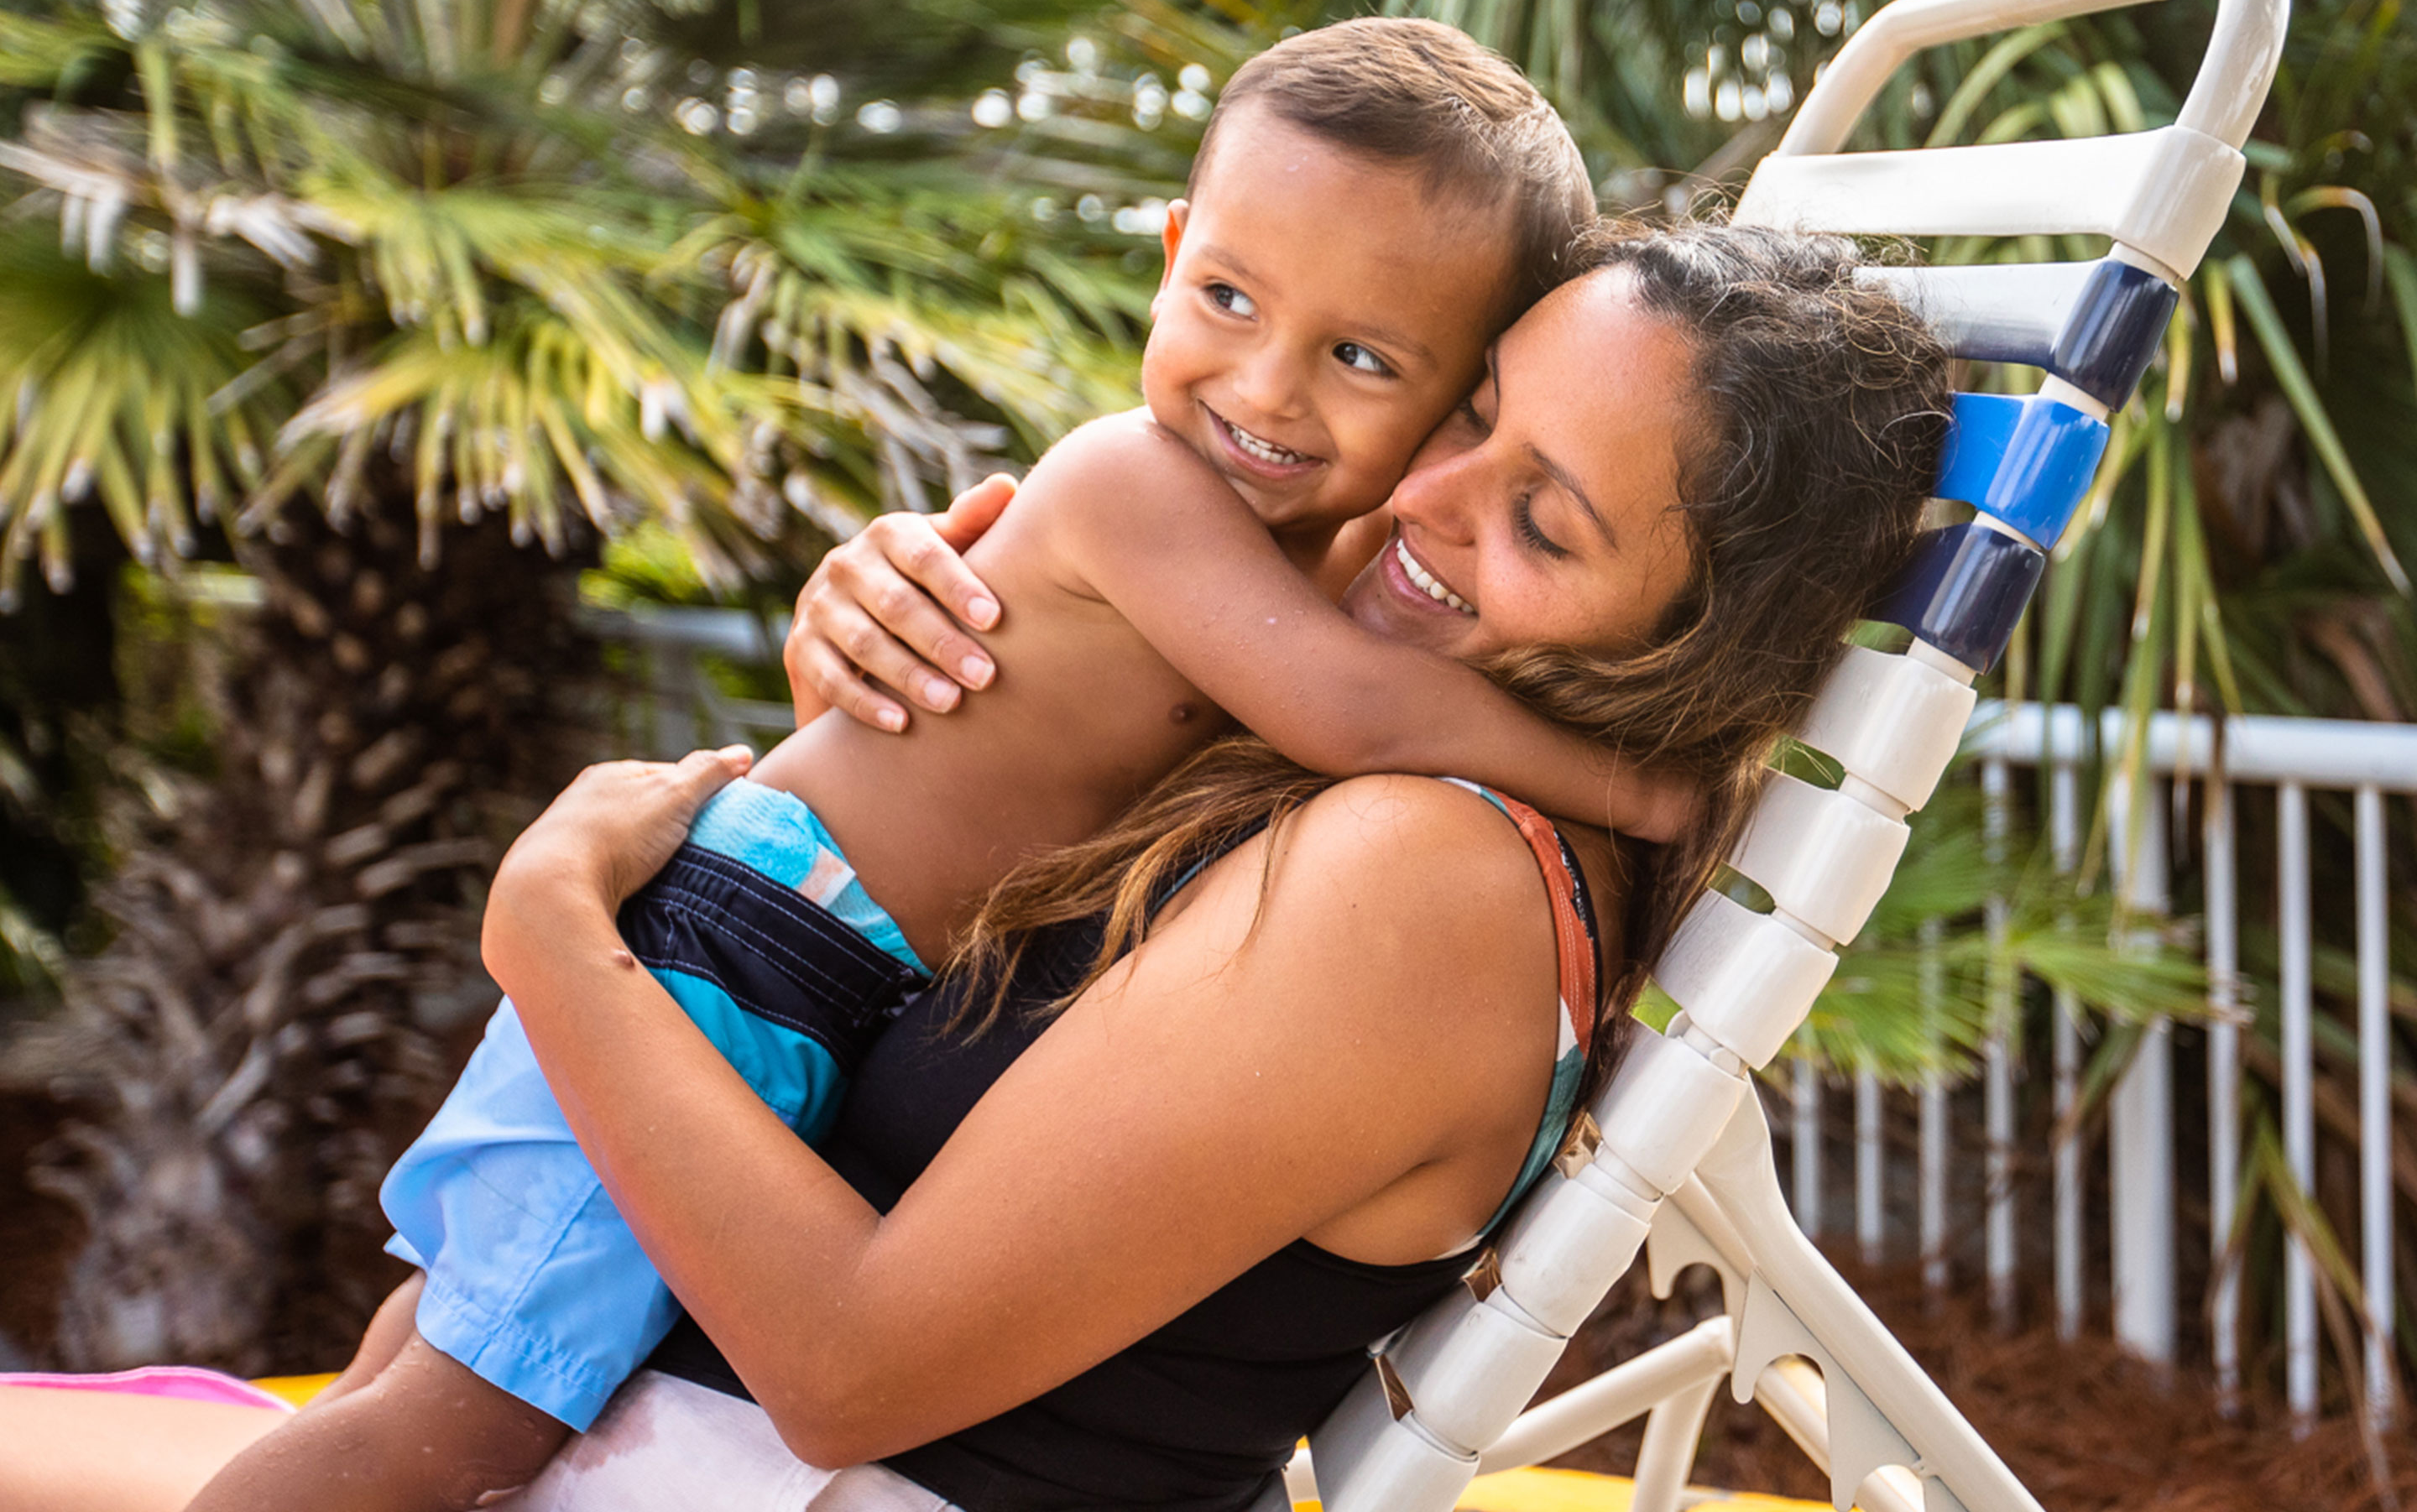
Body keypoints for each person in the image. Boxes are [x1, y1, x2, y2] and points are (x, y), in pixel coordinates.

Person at [0, 217, 1950, 1512]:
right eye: (1470, 410)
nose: (1421, 497)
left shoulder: (1422, 878)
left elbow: (849, 1373)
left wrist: (552, 937)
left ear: (1692, 660)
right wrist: (903, 653)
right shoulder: (1350, 742)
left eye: (1543, 517)